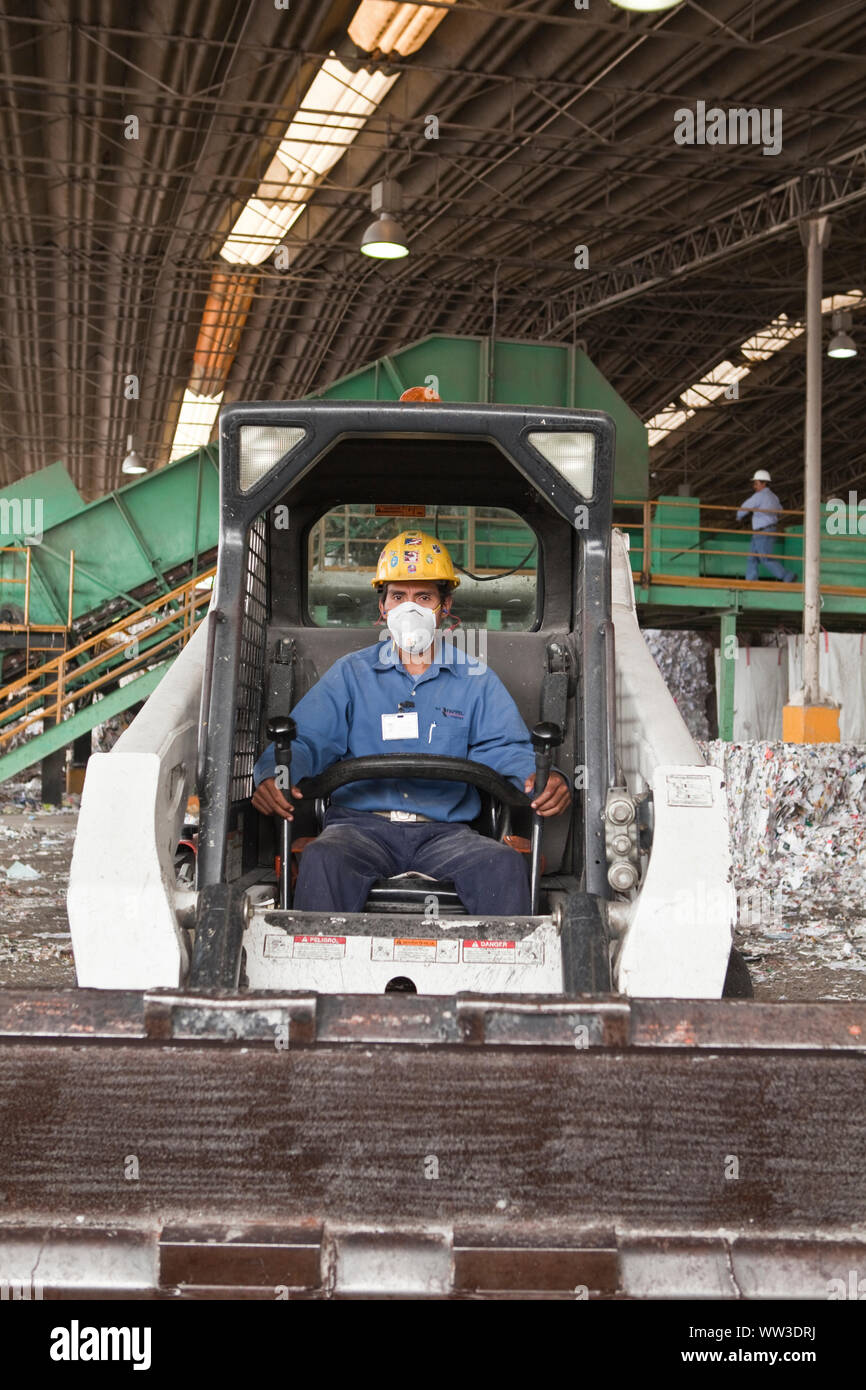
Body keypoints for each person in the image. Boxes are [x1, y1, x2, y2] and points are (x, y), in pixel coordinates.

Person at [251, 530, 570, 914]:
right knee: (323, 860)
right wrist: (274, 777)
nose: (411, 608)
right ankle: (312, 975)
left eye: (423, 597)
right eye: (399, 596)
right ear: (383, 606)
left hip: (446, 834)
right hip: (358, 829)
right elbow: (306, 740)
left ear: (444, 605)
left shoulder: (475, 678)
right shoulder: (350, 674)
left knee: (500, 866)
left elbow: (505, 748)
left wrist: (543, 780)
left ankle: (506, 975)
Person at [736, 470, 795, 582]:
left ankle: (787, 576)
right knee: (751, 557)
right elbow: (780, 511)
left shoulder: (759, 496)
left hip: (762, 532)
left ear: (764, 483)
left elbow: (745, 507)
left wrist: (739, 516)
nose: (754, 486)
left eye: (756, 483)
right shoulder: (774, 497)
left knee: (765, 558)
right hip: (766, 530)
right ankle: (751, 580)